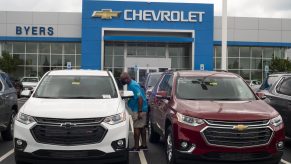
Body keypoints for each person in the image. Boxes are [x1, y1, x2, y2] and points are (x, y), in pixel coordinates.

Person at [120, 72, 148, 152]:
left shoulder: (132, 85)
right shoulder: (132, 83)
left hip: (139, 109)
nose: (122, 82)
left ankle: (136, 147)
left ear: (126, 79)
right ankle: (144, 145)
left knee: (136, 128)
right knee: (142, 127)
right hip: (143, 108)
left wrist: (139, 112)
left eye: (122, 80)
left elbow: (140, 98)